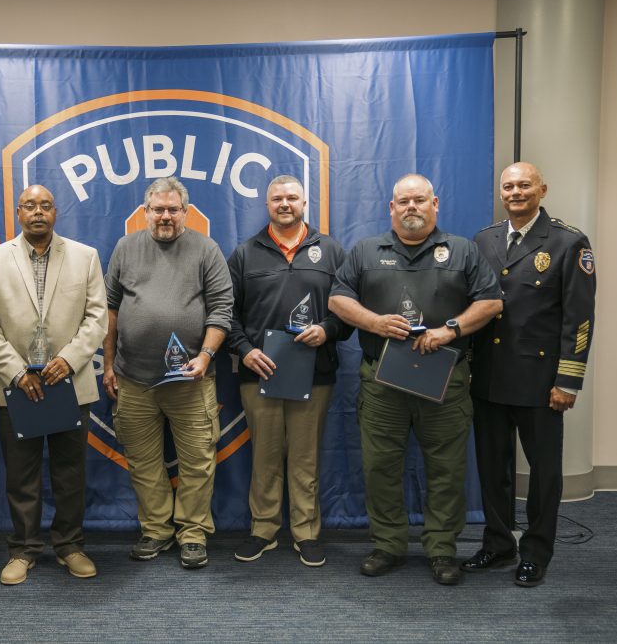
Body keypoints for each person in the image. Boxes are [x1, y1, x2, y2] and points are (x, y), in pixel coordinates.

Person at [328, 173, 502, 586]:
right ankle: (388, 544)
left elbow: (492, 301)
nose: (411, 207)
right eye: (403, 201)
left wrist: (451, 330)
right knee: (379, 466)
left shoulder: (461, 250)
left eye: (419, 200)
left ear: (434, 203)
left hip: (445, 378)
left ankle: (441, 548)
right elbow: (337, 299)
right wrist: (374, 321)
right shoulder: (366, 251)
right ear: (391, 207)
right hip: (382, 381)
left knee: (446, 467)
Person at [464, 161, 596, 588]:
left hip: (541, 382)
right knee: (491, 468)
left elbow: (578, 319)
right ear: (500, 193)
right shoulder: (483, 240)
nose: (515, 192)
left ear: (542, 189)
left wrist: (569, 380)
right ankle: (499, 543)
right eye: (508, 186)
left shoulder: (567, 241)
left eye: (524, 185)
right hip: (487, 378)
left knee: (544, 473)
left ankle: (536, 552)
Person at [0, 185, 108, 585]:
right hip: (15, 384)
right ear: (18, 212)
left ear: (56, 212)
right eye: (30, 205)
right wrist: (16, 372)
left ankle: (70, 545)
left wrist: (67, 360)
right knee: (21, 473)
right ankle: (24, 549)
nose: (38, 212)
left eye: (45, 206)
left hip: (68, 380)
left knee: (70, 471)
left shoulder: (85, 257)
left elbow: (97, 318)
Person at [102, 176, 233, 569]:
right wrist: (108, 364)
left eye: (172, 210)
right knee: (143, 460)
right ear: (145, 212)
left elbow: (222, 310)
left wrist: (207, 356)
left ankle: (192, 533)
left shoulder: (206, 249)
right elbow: (109, 309)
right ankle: (156, 529)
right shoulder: (126, 247)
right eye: (157, 209)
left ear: (185, 213)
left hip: (190, 380)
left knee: (197, 461)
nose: (165, 216)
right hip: (133, 379)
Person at [226, 175, 351, 567]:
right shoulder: (245, 253)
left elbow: (349, 312)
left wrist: (327, 330)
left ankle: (306, 532)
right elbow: (224, 314)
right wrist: (245, 352)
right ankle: (263, 530)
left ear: (303, 203)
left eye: (292, 198)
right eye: (277, 198)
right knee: (264, 454)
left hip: (314, 372)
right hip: (259, 371)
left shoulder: (330, 251)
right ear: (267, 205)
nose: (285, 204)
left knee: (305, 456)